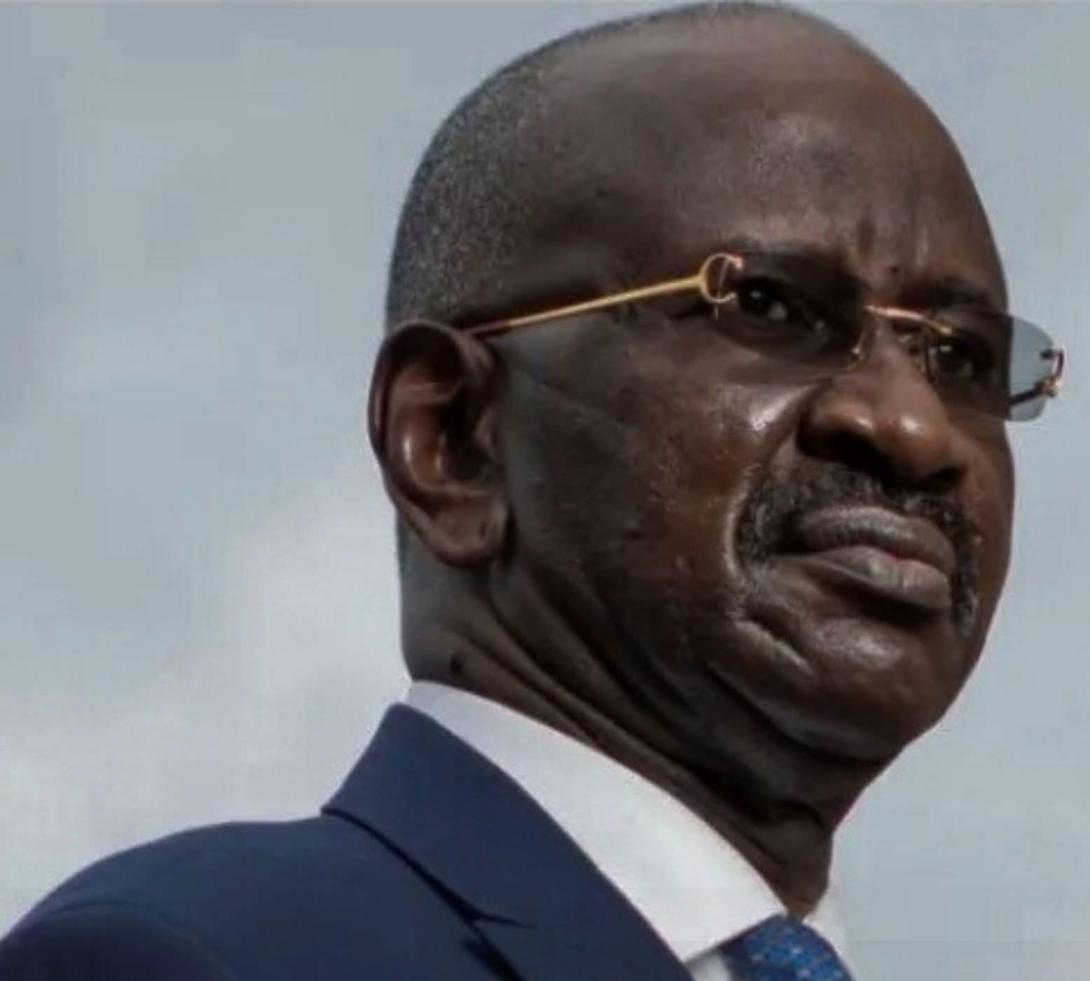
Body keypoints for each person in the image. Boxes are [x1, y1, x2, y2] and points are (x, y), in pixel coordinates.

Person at [0, 3, 1066, 980]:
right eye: (772, 307)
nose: (914, 428)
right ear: (452, 438)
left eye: (964, 357)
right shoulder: (202, 957)